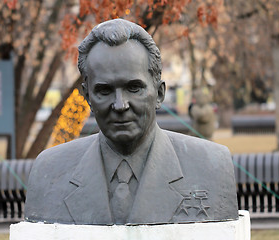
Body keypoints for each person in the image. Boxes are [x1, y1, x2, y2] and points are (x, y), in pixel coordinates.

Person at [25, 19, 238, 225]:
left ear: (159, 93)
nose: (120, 105)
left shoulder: (212, 165)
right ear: (88, 97)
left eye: (134, 88)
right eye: (104, 90)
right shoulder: (49, 171)